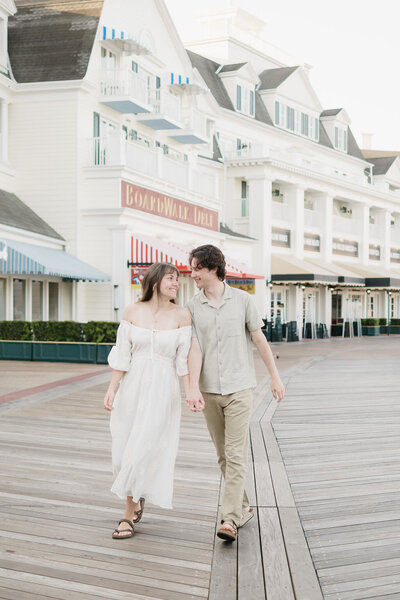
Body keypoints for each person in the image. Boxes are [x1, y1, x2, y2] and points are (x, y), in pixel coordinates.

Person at [186, 244, 285, 542]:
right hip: (209, 391)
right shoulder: (192, 306)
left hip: (241, 388)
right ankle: (243, 506)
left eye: (196, 269)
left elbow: (259, 339)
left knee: (235, 454)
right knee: (222, 457)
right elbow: (195, 350)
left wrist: (275, 377)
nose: (192, 275)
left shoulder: (243, 300)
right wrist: (191, 386)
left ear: (213, 268)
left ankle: (229, 519)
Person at [103, 262, 192, 539]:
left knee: (143, 448)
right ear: (154, 281)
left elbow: (183, 361)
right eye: (170, 278)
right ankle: (137, 495)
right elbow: (122, 354)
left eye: (177, 280)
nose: (175, 283)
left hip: (163, 389)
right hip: (132, 387)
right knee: (122, 449)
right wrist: (112, 388)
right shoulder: (132, 311)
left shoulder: (182, 315)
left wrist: (191, 392)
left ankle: (127, 515)